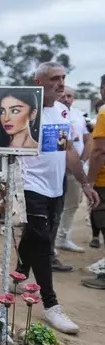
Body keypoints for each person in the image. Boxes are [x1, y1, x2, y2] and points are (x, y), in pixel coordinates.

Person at [12, 62, 98, 333]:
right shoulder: (25, 112)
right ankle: (51, 306)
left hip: (55, 186)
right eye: (54, 79)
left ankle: (17, 277)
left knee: (34, 235)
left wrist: (84, 183)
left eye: (63, 78)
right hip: (29, 184)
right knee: (43, 240)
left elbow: (69, 150)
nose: (61, 84)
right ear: (38, 83)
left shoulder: (63, 111)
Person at [55, 87, 92, 252]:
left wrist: (82, 161)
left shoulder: (78, 115)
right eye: (63, 96)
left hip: (76, 167)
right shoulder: (54, 113)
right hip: (58, 166)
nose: (66, 99)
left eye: (69, 96)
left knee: (73, 203)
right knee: (55, 204)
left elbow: (87, 138)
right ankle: (51, 241)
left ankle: (62, 237)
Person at [84, 75, 105, 289]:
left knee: (102, 220)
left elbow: (99, 150)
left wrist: (89, 182)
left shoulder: (104, 112)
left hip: (103, 179)